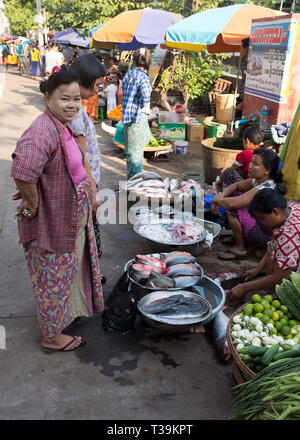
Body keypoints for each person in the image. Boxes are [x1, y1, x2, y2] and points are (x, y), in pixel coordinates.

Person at [11, 70, 104, 352]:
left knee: (64, 275)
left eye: (76, 99)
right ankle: (52, 337)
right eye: (64, 98)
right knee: (52, 280)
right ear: (48, 97)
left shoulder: (61, 125)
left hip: (69, 220)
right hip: (52, 225)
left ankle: (65, 315)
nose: (72, 105)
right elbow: (23, 171)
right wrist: (33, 201)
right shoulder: (43, 130)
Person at [226, 187, 300, 302]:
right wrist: (257, 269)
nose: (261, 223)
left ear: (275, 212)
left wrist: (244, 287)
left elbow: (281, 277)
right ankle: (272, 291)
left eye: (262, 219)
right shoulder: (290, 208)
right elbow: (273, 244)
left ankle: (277, 296)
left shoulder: (288, 237)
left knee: (287, 289)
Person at [211, 148, 283, 260]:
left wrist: (217, 200)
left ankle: (240, 247)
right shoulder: (258, 180)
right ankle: (238, 236)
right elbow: (236, 185)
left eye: (255, 164)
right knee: (229, 173)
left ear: (267, 170)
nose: (250, 166)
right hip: (257, 225)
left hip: (263, 237)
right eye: (251, 162)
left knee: (233, 208)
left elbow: (233, 204)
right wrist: (221, 196)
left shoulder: (265, 187)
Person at [69, 55, 106, 258]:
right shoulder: (75, 112)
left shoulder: (78, 107)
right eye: (97, 85)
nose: (98, 90)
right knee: (87, 236)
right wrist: (94, 193)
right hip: (85, 184)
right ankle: (91, 279)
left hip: (86, 183)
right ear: (86, 78)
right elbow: (82, 157)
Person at [122, 47, 152, 179]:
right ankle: (136, 182)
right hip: (137, 117)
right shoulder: (142, 76)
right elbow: (146, 96)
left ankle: (131, 178)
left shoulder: (129, 73)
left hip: (127, 117)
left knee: (130, 151)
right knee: (136, 152)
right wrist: (140, 103)